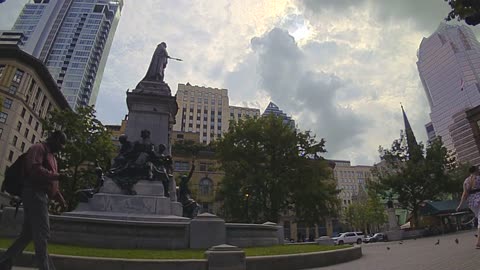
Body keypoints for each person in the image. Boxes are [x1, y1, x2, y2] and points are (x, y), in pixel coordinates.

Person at [0, 131, 67, 270]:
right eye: (61, 143)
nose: (61, 147)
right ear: (53, 139)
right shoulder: (38, 148)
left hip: (42, 195)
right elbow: (34, 170)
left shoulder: (52, 157)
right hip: (34, 192)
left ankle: (5, 261)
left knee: (28, 234)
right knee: (43, 232)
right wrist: (57, 176)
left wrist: (60, 199)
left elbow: (52, 183)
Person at [456, 165, 480, 249]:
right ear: (476, 170)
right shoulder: (479, 178)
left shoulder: (466, 181)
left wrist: (460, 205)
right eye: (478, 169)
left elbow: (465, 194)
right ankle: (478, 242)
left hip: (471, 203)